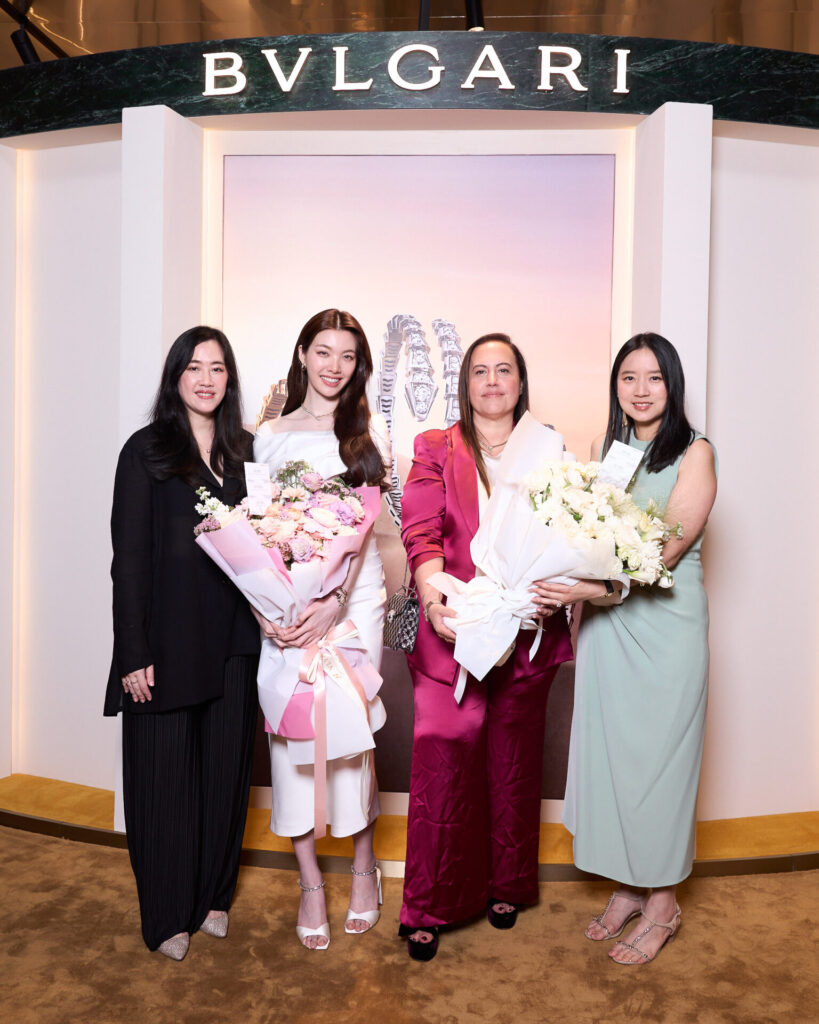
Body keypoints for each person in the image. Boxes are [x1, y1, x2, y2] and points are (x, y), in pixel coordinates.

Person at [534, 332, 718, 965]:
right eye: (628, 378)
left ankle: (663, 903)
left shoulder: (695, 452)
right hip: (608, 627)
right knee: (615, 760)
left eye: (654, 378)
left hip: (666, 627)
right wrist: (575, 597)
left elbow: (665, 551)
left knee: (660, 765)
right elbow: (587, 535)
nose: (641, 391)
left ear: (673, 384)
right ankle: (630, 886)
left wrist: (590, 589)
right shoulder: (604, 450)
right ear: (615, 386)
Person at [398, 333, 574, 961]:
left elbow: (569, 533)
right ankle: (429, 902)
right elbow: (421, 531)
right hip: (455, 630)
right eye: (480, 371)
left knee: (514, 762)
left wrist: (558, 590)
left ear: (521, 383)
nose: (493, 381)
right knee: (444, 759)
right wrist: (434, 599)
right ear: (465, 382)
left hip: (527, 634)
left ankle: (508, 882)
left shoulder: (549, 449)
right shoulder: (436, 447)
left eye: (504, 370)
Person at [104, 326, 261, 961]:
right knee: (163, 780)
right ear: (175, 376)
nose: (206, 379)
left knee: (225, 776)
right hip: (164, 644)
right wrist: (132, 653)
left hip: (235, 639)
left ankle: (213, 897)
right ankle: (168, 912)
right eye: (194, 367)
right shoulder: (145, 451)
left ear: (230, 380)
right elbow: (128, 561)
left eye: (217, 368)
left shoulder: (247, 452)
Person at [253, 308, 390, 950]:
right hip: (286, 601)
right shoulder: (268, 436)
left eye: (348, 356)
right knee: (293, 736)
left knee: (351, 734)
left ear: (358, 365)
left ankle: (364, 867)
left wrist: (334, 602)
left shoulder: (366, 435)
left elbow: (362, 533)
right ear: (303, 354)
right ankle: (309, 881)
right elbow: (256, 533)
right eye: (324, 352)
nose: (335, 367)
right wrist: (267, 608)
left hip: (353, 601)